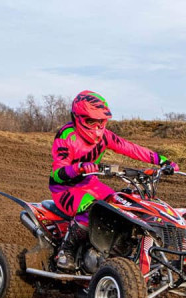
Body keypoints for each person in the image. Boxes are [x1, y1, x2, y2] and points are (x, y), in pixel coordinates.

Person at [50, 90, 179, 270]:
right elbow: (57, 172)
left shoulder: (105, 137)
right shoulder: (66, 136)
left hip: (90, 184)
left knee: (121, 207)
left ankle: (115, 252)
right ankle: (66, 252)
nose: (96, 128)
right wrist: (78, 168)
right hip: (65, 189)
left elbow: (130, 148)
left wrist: (162, 160)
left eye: (101, 122)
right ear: (76, 118)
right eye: (90, 121)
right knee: (93, 207)